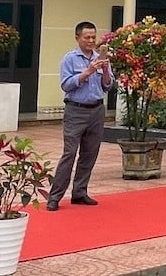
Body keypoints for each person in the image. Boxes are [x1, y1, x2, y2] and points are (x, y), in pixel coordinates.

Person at [46, 22, 113, 211]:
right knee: (69, 153)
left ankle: (80, 193)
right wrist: (88, 71)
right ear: (78, 38)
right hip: (76, 110)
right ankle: (55, 196)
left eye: (93, 37)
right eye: (87, 37)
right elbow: (66, 85)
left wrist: (105, 69)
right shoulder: (70, 59)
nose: (91, 41)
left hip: (97, 110)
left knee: (89, 154)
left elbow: (107, 86)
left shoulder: (102, 57)